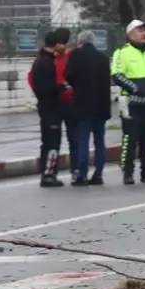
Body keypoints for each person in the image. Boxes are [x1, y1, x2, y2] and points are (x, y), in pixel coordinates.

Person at [110, 19, 145, 185]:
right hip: (131, 104)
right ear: (130, 34)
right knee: (131, 138)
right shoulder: (122, 52)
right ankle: (128, 172)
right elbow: (117, 75)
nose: (144, 33)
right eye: (140, 30)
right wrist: (135, 88)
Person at [64, 29, 111, 186]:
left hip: (83, 106)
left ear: (80, 42)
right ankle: (98, 174)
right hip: (102, 106)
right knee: (99, 141)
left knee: (82, 140)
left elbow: (68, 75)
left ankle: (82, 174)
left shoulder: (76, 55)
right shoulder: (104, 58)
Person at [30, 31, 68, 188]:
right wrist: (61, 87)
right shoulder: (46, 63)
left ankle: (46, 172)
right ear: (57, 44)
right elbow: (46, 88)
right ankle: (49, 174)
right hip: (51, 107)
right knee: (52, 143)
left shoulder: (40, 60)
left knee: (46, 142)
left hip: (45, 106)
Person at [51, 28, 78, 174]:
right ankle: (52, 171)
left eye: (63, 43)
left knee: (74, 138)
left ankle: (76, 168)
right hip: (55, 102)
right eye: (58, 43)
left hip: (71, 102)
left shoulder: (73, 57)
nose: (60, 46)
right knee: (54, 141)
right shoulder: (49, 59)